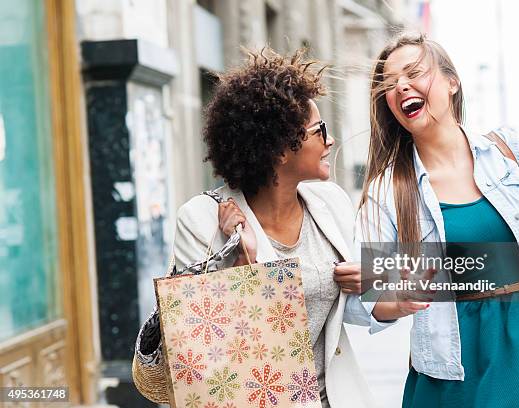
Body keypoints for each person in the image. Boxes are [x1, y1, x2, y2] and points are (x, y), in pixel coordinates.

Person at [132, 48, 391, 408]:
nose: (329, 140)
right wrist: (247, 264)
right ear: (281, 149)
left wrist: (380, 285)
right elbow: (207, 342)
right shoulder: (201, 220)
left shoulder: (332, 204)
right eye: (320, 131)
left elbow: (353, 306)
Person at [356, 32, 519, 407]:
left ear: (452, 82)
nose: (402, 86)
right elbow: (373, 301)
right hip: (446, 362)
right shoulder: (385, 189)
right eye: (390, 84)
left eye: (414, 73)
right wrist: (403, 297)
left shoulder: (507, 153)